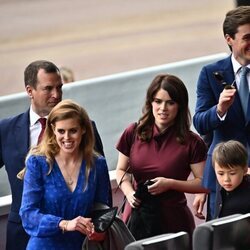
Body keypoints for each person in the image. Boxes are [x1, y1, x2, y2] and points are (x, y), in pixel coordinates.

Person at [0, 60, 104, 250]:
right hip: (22, 237)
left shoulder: (86, 128)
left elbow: (99, 190)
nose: (56, 95)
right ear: (30, 91)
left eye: (59, 87)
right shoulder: (6, 129)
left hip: (79, 240)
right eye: (48, 88)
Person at [116, 74, 208, 242]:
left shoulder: (192, 142)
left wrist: (170, 184)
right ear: (150, 102)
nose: (163, 108)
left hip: (174, 221)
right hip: (136, 217)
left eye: (170, 103)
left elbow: (204, 183)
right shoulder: (132, 133)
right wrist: (129, 192)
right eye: (158, 101)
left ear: (180, 106)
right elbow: (121, 170)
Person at [19, 99, 112, 249]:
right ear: (53, 129)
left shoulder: (97, 164)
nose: (67, 137)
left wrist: (100, 230)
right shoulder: (38, 163)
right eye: (61, 131)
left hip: (83, 246)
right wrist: (64, 224)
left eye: (73, 131)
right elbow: (28, 215)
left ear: (83, 129)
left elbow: (102, 209)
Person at [193, 6, 250, 220]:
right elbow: (199, 123)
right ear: (229, 39)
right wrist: (219, 109)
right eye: (247, 37)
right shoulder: (210, 74)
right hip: (223, 179)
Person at [212, 140, 250, 218]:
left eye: (232, 173)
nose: (226, 179)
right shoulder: (220, 185)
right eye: (221, 173)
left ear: (245, 170)